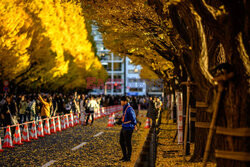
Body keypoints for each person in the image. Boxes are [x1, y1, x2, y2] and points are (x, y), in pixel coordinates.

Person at [119, 96, 137, 162]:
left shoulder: (129, 109)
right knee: (121, 142)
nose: (120, 102)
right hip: (124, 127)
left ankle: (128, 158)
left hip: (128, 128)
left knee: (128, 143)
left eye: (121, 101)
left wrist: (134, 125)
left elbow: (133, 119)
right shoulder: (125, 108)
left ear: (125, 101)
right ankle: (124, 156)